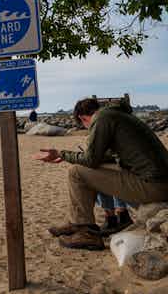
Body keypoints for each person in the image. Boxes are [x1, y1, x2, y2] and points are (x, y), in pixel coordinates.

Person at [34, 98, 168, 250]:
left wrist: (61, 154)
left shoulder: (102, 118)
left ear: (82, 118)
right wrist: (70, 156)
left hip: (154, 185)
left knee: (76, 172)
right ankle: (76, 223)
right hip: (158, 180)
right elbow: (104, 158)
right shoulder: (116, 115)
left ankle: (86, 233)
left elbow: (91, 160)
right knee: (85, 167)